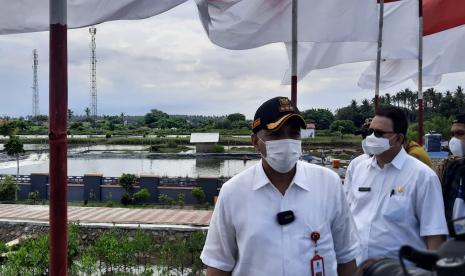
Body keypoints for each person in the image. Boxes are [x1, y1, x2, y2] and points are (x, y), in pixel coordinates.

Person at [201, 97, 360, 276]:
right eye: (275, 134)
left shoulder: (328, 183)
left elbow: (346, 257)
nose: (287, 141)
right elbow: (218, 264)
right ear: (255, 141)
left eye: (294, 134)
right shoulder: (233, 192)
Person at [345, 106, 448, 264]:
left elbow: (434, 234)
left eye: (379, 133)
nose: (371, 137)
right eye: (370, 132)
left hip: (402, 270)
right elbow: (350, 218)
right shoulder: (359, 169)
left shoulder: (423, 176)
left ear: (399, 139)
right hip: (357, 267)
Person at [437, 113, 465, 221]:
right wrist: (439, 177)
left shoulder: (457, 166)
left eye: (460, 133)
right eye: (452, 134)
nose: (454, 140)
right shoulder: (451, 166)